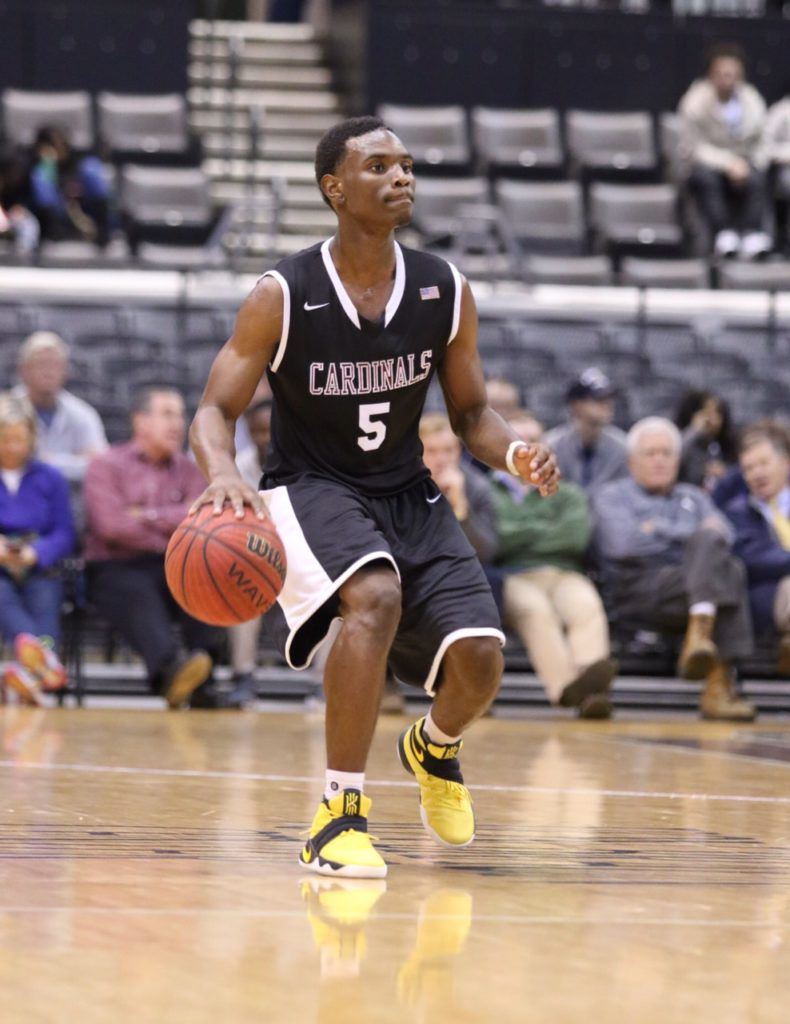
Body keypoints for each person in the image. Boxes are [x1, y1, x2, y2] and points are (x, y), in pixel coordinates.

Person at [189, 115, 560, 878]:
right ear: (334, 187)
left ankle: (432, 748)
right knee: (375, 596)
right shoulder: (282, 292)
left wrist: (514, 450)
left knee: (482, 661)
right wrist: (223, 475)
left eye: (408, 165)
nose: (402, 177)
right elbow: (213, 410)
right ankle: (339, 814)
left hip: (406, 488)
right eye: (380, 165)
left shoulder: (444, 287)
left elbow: (469, 415)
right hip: (309, 485)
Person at [83, 386, 242, 710]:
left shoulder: (191, 467)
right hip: (116, 566)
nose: (178, 424)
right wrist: (171, 525)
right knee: (136, 588)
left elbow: (201, 519)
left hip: (174, 560)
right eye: (167, 414)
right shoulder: (106, 464)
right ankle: (171, 672)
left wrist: (145, 517)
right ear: (140, 422)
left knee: (206, 582)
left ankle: (202, 684)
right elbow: (111, 527)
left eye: (181, 415)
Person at [592, 417, 755, 721]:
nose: (659, 460)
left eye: (666, 453)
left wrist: (656, 529)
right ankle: (718, 686)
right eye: (650, 453)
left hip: (686, 585)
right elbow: (622, 545)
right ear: (631, 462)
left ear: (678, 461)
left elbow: (727, 536)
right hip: (639, 587)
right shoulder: (611, 495)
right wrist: (687, 537)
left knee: (726, 563)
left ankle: (700, 631)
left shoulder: (693, 496)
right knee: (724, 569)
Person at [493, 410, 616, 719]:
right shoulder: (487, 492)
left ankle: (592, 687)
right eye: (517, 440)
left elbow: (574, 537)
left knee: (585, 604)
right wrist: (543, 530)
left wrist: (520, 531)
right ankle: (567, 689)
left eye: (533, 440)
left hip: (564, 572)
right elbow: (496, 541)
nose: (526, 447)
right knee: (535, 610)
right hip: (514, 575)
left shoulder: (568, 491)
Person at [0, 393, 75, 705]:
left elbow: (65, 532)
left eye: (19, 438)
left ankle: (28, 672)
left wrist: (38, 553)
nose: (13, 446)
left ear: (31, 437)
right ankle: (43, 664)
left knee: (45, 598)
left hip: (40, 564)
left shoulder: (51, 478)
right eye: (5, 439)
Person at [678, 43, 770, 259]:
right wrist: (728, 163)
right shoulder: (694, 102)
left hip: (744, 164)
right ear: (711, 75)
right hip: (708, 165)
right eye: (721, 73)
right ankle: (723, 232)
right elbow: (693, 147)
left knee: (758, 177)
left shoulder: (752, 100)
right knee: (707, 178)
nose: (727, 78)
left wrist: (749, 165)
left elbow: (762, 141)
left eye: (732, 73)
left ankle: (752, 234)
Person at [724, 423, 790, 673]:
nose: (756, 473)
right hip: (765, 595)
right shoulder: (735, 513)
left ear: (785, 463)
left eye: (763, 463)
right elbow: (753, 558)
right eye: (748, 468)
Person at [15, 331, 107, 485]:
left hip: (70, 497)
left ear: (65, 371)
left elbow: (100, 466)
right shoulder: (6, 411)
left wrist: (45, 462)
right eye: (41, 364)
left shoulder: (82, 413)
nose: (48, 372)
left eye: (55, 364)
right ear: (23, 371)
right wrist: (74, 462)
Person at [227, 397, 274, 701]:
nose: (267, 439)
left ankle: (322, 684)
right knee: (242, 581)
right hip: (257, 556)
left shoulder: (308, 465)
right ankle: (242, 676)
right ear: (249, 431)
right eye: (260, 432)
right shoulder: (237, 470)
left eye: (274, 431)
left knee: (338, 584)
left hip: (304, 557)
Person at [419, 412, 497, 564]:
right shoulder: (401, 486)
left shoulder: (477, 486)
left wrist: (460, 507)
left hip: (461, 571)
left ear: (459, 451)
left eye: (448, 450)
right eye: (431, 451)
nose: (441, 459)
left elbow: (486, 553)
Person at [26, 125, 113, 247]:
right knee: (40, 177)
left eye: (58, 143)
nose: (57, 148)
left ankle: (103, 233)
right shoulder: (36, 170)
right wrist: (48, 165)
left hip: (90, 219)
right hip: (55, 224)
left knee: (91, 169)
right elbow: (43, 202)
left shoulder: (80, 166)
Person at [544, 368, 628, 493]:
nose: (607, 404)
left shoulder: (622, 447)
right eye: (598, 399)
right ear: (576, 404)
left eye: (609, 398)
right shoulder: (553, 445)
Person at [674, 389, 737, 492]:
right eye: (706, 412)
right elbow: (673, 458)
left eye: (717, 413)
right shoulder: (684, 441)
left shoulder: (728, 446)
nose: (711, 419)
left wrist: (726, 474)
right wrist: (694, 430)